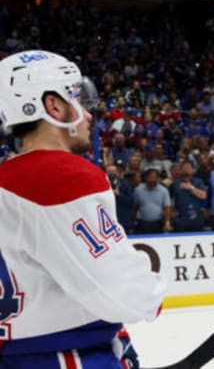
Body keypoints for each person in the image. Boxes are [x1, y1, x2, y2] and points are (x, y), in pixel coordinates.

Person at [0, 50, 165, 368]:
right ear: (53, 106)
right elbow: (124, 290)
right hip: (65, 356)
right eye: (76, 99)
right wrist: (150, 295)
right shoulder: (63, 175)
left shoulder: (7, 178)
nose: (88, 114)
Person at [169, 159, 207, 232]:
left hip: (197, 219)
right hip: (181, 221)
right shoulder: (175, 184)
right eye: (184, 167)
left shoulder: (198, 182)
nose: (187, 169)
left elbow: (204, 196)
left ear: (193, 170)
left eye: (189, 168)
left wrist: (191, 188)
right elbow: (168, 200)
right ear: (180, 170)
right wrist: (172, 213)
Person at [133, 167, 173, 233]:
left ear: (158, 178)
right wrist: (134, 221)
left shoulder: (163, 191)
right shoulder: (138, 190)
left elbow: (167, 208)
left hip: (158, 223)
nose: (152, 180)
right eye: (150, 177)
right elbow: (134, 207)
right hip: (142, 223)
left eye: (154, 177)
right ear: (146, 177)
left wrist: (167, 222)